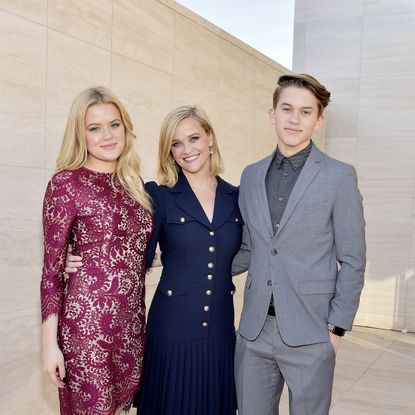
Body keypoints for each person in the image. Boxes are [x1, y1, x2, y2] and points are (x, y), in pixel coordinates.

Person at [66, 105, 242, 415]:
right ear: (169, 151)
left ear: (210, 138)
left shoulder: (237, 197)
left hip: (219, 329)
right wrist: (80, 256)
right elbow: (130, 249)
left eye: (194, 138)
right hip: (172, 330)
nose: (187, 150)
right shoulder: (158, 196)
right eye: (176, 143)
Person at [232, 73, 366, 415]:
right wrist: (175, 258)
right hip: (254, 330)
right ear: (272, 113)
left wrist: (336, 329)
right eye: (287, 108)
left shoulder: (339, 176)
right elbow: (249, 248)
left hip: (312, 331)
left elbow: (352, 259)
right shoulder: (250, 175)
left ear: (318, 120)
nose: (295, 119)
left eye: (306, 112)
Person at [40, 86, 153, 415]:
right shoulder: (66, 183)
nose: (107, 135)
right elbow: (49, 274)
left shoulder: (135, 185)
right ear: (81, 134)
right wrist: (50, 346)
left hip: (131, 325)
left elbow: (135, 251)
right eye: (95, 128)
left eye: (114, 124)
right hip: (86, 327)